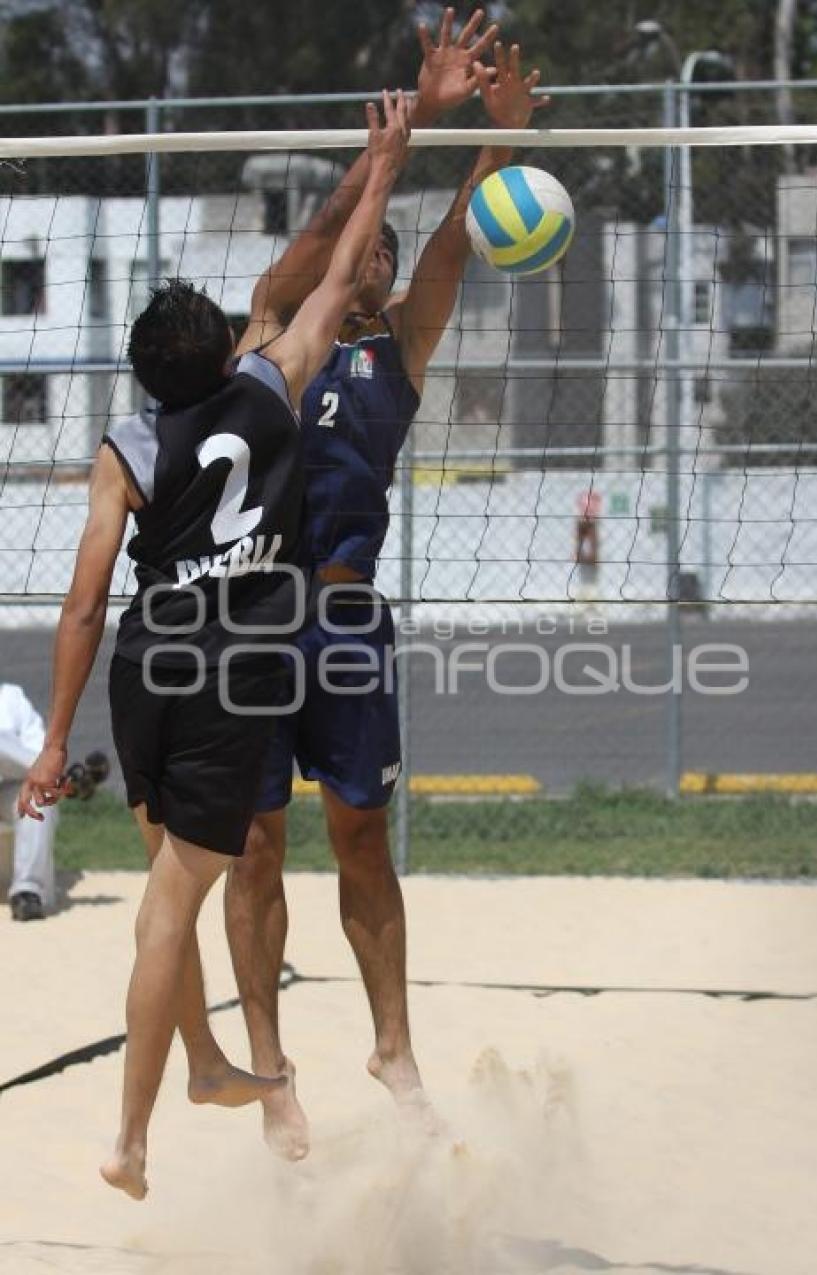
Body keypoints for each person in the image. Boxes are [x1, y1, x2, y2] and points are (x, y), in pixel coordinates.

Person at [18, 88, 410, 1201]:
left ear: (147, 374)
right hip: (232, 672)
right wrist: (383, 158)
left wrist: (53, 744)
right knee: (168, 910)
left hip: (149, 663)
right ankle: (136, 1134)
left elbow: (85, 608)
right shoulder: (272, 385)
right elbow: (331, 285)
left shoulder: (126, 446)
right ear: (223, 348)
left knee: (165, 893)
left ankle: (205, 1060)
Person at [221, 12, 549, 1157]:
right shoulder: (268, 331)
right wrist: (396, 137)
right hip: (250, 618)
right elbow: (309, 244)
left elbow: (456, 245)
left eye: (384, 252)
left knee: (361, 837)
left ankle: (392, 1048)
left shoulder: (389, 358)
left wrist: (492, 143)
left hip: (347, 620)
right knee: (255, 847)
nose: (374, 255)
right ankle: (271, 1074)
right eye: (364, 246)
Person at [0, 681, 56, 920]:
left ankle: (27, 892)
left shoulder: (12, 697)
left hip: (8, 788)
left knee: (38, 797)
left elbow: (38, 750)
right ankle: (62, 779)